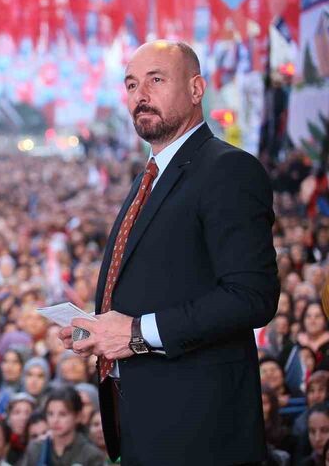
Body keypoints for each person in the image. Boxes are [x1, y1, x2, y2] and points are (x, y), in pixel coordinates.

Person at [63, 40, 279, 464]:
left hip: (202, 432)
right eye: (130, 84)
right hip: (145, 421)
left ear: (197, 89)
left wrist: (137, 333)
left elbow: (252, 296)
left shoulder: (228, 169)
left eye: (155, 80)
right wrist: (101, 330)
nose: (140, 96)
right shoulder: (150, 176)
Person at [18, 387, 103, 466]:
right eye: (50, 414)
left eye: (63, 414)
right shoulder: (36, 449)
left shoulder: (91, 454)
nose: (55, 420)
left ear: (78, 416)